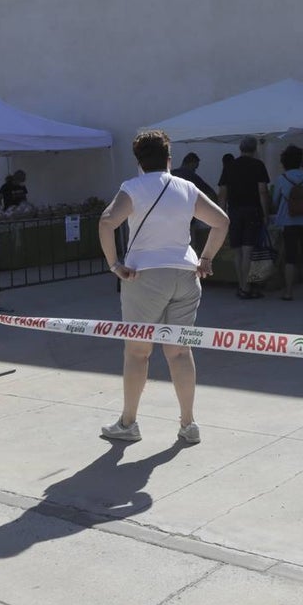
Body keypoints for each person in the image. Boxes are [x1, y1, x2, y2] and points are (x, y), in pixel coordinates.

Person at [97, 130, 229, 444]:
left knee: (138, 353)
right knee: (180, 351)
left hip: (145, 276)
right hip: (185, 273)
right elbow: (221, 221)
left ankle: (129, 423)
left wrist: (115, 264)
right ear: (169, 158)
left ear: (138, 161)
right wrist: (207, 257)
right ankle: (188, 424)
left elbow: (106, 222)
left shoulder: (133, 187)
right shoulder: (186, 187)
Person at [217, 136, 270, 299]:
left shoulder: (230, 166)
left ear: (240, 148)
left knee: (237, 251)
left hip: (233, 211)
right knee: (247, 251)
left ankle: (242, 286)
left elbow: (222, 194)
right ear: (255, 149)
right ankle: (246, 287)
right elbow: (262, 191)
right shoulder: (258, 165)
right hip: (252, 210)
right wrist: (266, 213)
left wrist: (221, 215)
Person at [269, 144, 303, 300]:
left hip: (288, 221)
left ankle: (288, 292)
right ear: (300, 161)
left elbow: (275, 200)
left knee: (290, 257)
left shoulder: (281, 179)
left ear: (284, 162)